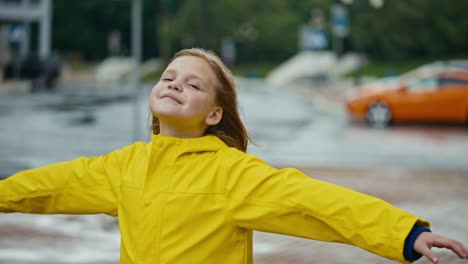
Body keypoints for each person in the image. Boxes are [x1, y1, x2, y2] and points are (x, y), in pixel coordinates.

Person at [1, 48, 467, 264]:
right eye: (169, 75)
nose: (175, 83)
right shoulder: (123, 166)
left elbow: (315, 203)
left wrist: (404, 233)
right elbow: (50, 186)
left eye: (193, 83)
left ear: (213, 114)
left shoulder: (232, 174)